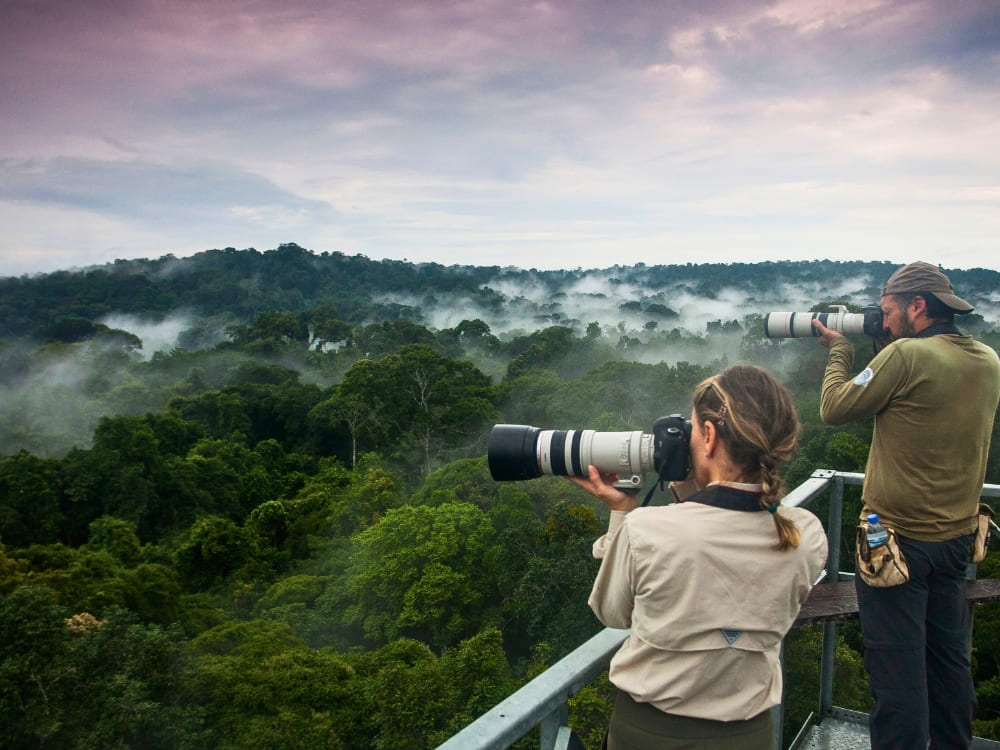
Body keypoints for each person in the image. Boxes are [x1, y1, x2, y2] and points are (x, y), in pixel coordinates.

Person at [568, 363, 828, 750]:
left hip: (647, 735)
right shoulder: (804, 535)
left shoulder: (647, 530)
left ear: (708, 435)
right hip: (750, 736)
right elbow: (723, 537)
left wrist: (623, 512)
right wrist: (697, 486)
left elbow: (612, 614)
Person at [811, 261, 1000, 749]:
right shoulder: (986, 359)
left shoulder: (905, 357)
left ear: (918, 306)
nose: (885, 320)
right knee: (947, 662)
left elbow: (834, 407)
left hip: (895, 545)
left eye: (889, 310)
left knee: (898, 677)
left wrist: (840, 351)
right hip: (957, 542)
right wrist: (887, 351)